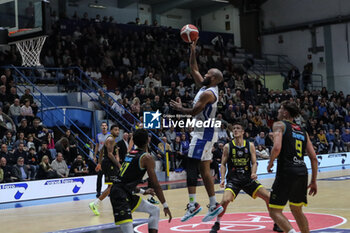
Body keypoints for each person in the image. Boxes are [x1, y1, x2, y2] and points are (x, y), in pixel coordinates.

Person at [170, 37, 224, 222]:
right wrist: (193, 50)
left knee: (191, 165)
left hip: (203, 132)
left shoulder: (209, 93)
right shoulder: (205, 87)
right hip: (207, 132)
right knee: (204, 170)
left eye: (208, 74)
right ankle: (214, 203)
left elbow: (193, 112)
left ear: (214, 79)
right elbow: (193, 69)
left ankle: (193, 205)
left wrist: (179, 109)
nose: (205, 75)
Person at [210, 122, 281, 233]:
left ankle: (276, 223)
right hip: (233, 179)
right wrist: (222, 178)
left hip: (248, 178)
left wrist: (253, 173)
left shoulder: (250, 145)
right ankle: (217, 223)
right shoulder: (228, 146)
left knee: (269, 197)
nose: (235, 130)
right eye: (234, 128)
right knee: (225, 200)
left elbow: (254, 163)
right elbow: (223, 164)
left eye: (238, 128)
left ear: (243, 132)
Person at [267, 101, 318, 233]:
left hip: (286, 171)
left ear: (285, 113)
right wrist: (313, 181)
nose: (278, 111)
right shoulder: (303, 131)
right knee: (297, 210)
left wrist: (271, 162)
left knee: (274, 211)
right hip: (302, 172)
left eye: (280, 109)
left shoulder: (279, 125)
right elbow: (313, 158)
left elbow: (277, 148)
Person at [110, 128, 172, 233]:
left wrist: (143, 191)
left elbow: (126, 180)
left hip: (124, 192)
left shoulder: (130, 153)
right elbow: (156, 185)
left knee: (154, 210)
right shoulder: (146, 158)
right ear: (148, 140)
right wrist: (165, 205)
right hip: (120, 196)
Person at [89, 125, 120, 216]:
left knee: (112, 186)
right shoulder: (110, 140)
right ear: (111, 131)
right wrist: (118, 164)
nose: (117, 131)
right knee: (112, 186)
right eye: (115, 130)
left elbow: (102, 150)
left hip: (107, 163)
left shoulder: (109, 139)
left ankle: (115, 204)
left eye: (118, 130)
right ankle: (95, 204)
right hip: (109, 164)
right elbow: (110, 154)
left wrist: (99, 163)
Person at [94, 122, 111, 198]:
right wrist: (95, 156)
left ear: (107, 127)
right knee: (99, 175)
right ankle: (98, 191)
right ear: (101, 127)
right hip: (101, 158)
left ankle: (109, 191)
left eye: (105, 126)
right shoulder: (98, 136)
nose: (104, 127)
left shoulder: (110, 135)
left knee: (109, 175)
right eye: (103, 125)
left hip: (108, 157)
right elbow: (97, 146)